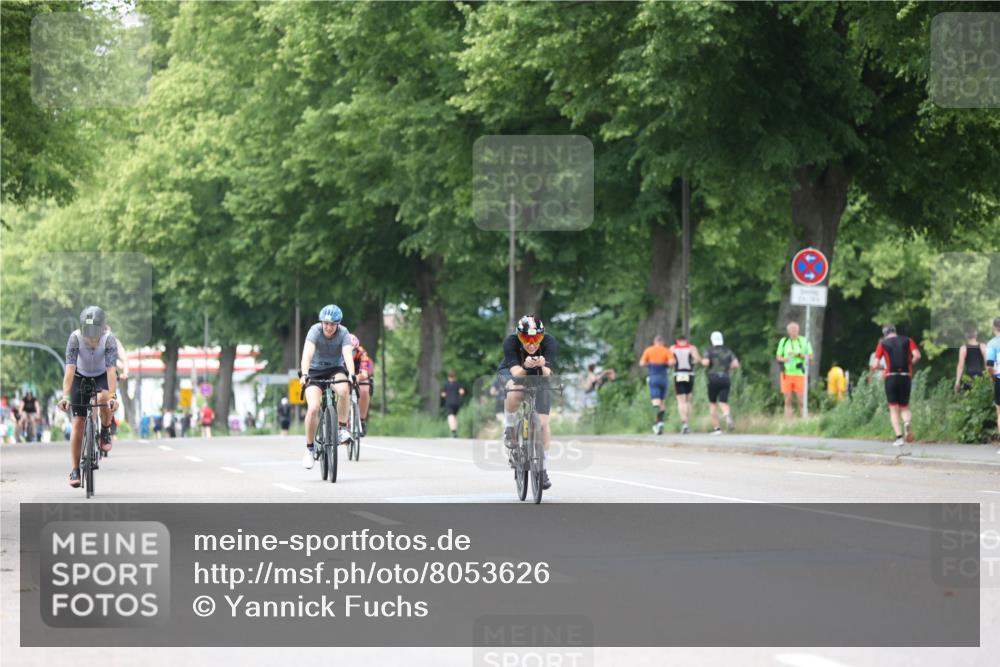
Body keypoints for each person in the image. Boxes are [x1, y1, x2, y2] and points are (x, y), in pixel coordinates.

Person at [56, 306, 119, 487]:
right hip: (79, 376)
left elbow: (111, 370)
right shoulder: (75, 338)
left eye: (94, 335)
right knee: (78, 421)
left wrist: (113, 397)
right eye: (87, 334)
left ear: (103, 329)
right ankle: (75, 469)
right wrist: (66, 396)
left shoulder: (109, 340)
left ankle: (105, 430)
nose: (91, 339)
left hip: (101, 375)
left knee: (105, 399)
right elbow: (70, 369)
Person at [498, 315, 557, 490]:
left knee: (543, 425)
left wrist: (540, 364)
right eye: (526, 339)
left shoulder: (549, 342)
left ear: (542, 337)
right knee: (515, 390)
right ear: (518, 336)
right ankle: (509, 427)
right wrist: (525, 366)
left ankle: (543, 468)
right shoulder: (510, 342)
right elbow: (516, 373)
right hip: (513, 370)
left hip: (538, 374)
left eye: (536, 339)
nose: (531, 344)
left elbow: (548, 372)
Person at [300, 304, 356, 470]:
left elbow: (347, 354)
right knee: (313, 407)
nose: (329, 327)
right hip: (314, 371)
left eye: (332, 324)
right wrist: (304, 374)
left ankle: (342, 428)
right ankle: (309, 449)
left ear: (338, 324)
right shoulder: (315, 331)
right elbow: (307, 354)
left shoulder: (344, 333)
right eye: (326, 323)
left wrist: (352, 374)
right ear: (321, 322)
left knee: (344, 389)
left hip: (334, 369)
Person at [870, 325, 921, 446]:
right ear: (895, 331)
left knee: (893, 408)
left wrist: (884, 367)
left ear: (885, 334)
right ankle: (907, 422)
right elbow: (917, 356)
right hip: (905, 376)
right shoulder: (908, 340)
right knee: (904, 407)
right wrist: (910, 363)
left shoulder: (883, 343)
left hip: (891, 376)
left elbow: (874, 365)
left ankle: (899, 438)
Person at [702, 331, 740, 434]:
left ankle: (717, 429)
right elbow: (736, 364)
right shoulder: (728, 350)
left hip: (713, 379)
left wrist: (704, 362)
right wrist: (727, 367)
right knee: (723, 401)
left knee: (713, 403)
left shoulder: (709, 350)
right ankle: (727, 415)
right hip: (725, 378)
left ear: (712, 340)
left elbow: (705, 363)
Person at [776, 321, 813, 419]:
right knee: (787, 400)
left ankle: (804, 420)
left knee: (801, 400)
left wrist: (798, 355)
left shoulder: (804, 341)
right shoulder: (784, 341)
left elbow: (810, 356)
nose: (794, 332)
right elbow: (778, 357)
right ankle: (788, 422)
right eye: (792, 330)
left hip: (799, 374)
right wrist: (785, 359)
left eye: (795, 330)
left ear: (798, 330)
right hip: (786, 374)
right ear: (788, 331)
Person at [639, 335, 674, 435]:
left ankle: (657, 423)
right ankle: (661, 422)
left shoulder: (649, 350)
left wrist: (649, 364)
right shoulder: (666, 350)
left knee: (655, 401)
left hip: (653, 376)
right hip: (663, 377)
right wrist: (665, 363)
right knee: (662, 401)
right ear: (662, 342)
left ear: (654, 342)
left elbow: (641, 363)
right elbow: (672, 362)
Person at [670, 334, 701, 434]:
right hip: (689, 374)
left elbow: (670, 361)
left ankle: (684, 423)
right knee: (688, 399)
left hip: (678, 374)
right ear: (686, 340)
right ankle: (688, 423)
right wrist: (692, 362)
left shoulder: (673, 348)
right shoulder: (691, 348)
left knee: (680, 400)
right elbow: (697, 359)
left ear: (677, 340)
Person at [350, 334, 375, 436]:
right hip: (345, 372)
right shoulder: (338, 353)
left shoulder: (362, 353)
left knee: (364, 390)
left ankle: (362, 420)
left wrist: (357, 378)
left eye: (353, 351)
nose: (350, 354)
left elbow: (364, 374)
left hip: (360, 372)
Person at [954, 326, 988, 393]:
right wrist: (990, 377)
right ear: (976, 335)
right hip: (980, 375)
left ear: (966, 336)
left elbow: (961, 366)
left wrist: (957, 381)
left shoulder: (963, 348)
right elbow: (987, 364)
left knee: (968, 398)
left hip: (968, 376)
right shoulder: (983, 346)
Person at [986, 317, 1000, 453]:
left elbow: (990, 365)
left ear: (994, 328)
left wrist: (992, 377)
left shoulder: (992, 344)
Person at [441, 371, 465, 438]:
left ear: (448, 377)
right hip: (456, 402)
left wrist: (446, 394)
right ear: (455, 377)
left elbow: (443, 394)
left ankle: (453, 431)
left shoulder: (446, 384)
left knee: (450, 416)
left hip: (449, 402)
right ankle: (455, 430)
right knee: (455, 416)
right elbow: (462, 392)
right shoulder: (458, 384)